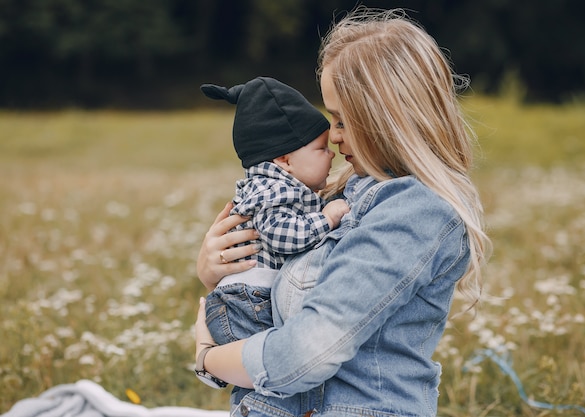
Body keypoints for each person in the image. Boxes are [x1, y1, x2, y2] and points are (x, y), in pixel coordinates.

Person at [194, 7, 491, 417]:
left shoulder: (413, 212)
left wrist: (208, 357)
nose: (332, 138)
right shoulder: (345, 193)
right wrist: (217, 273)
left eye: (342, 121)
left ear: (388, 120)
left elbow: (304, 353)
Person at [200, 77, 350, 348]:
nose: (332, 155)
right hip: (249, 303)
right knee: (277, 361)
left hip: (245, 301)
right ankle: (215, 363)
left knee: (267, 370)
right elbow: (281, 236)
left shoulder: (276, 187)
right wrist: (326, 219)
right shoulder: (275, 191)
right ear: (285, 160)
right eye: (321, 149)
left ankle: (216, 363)